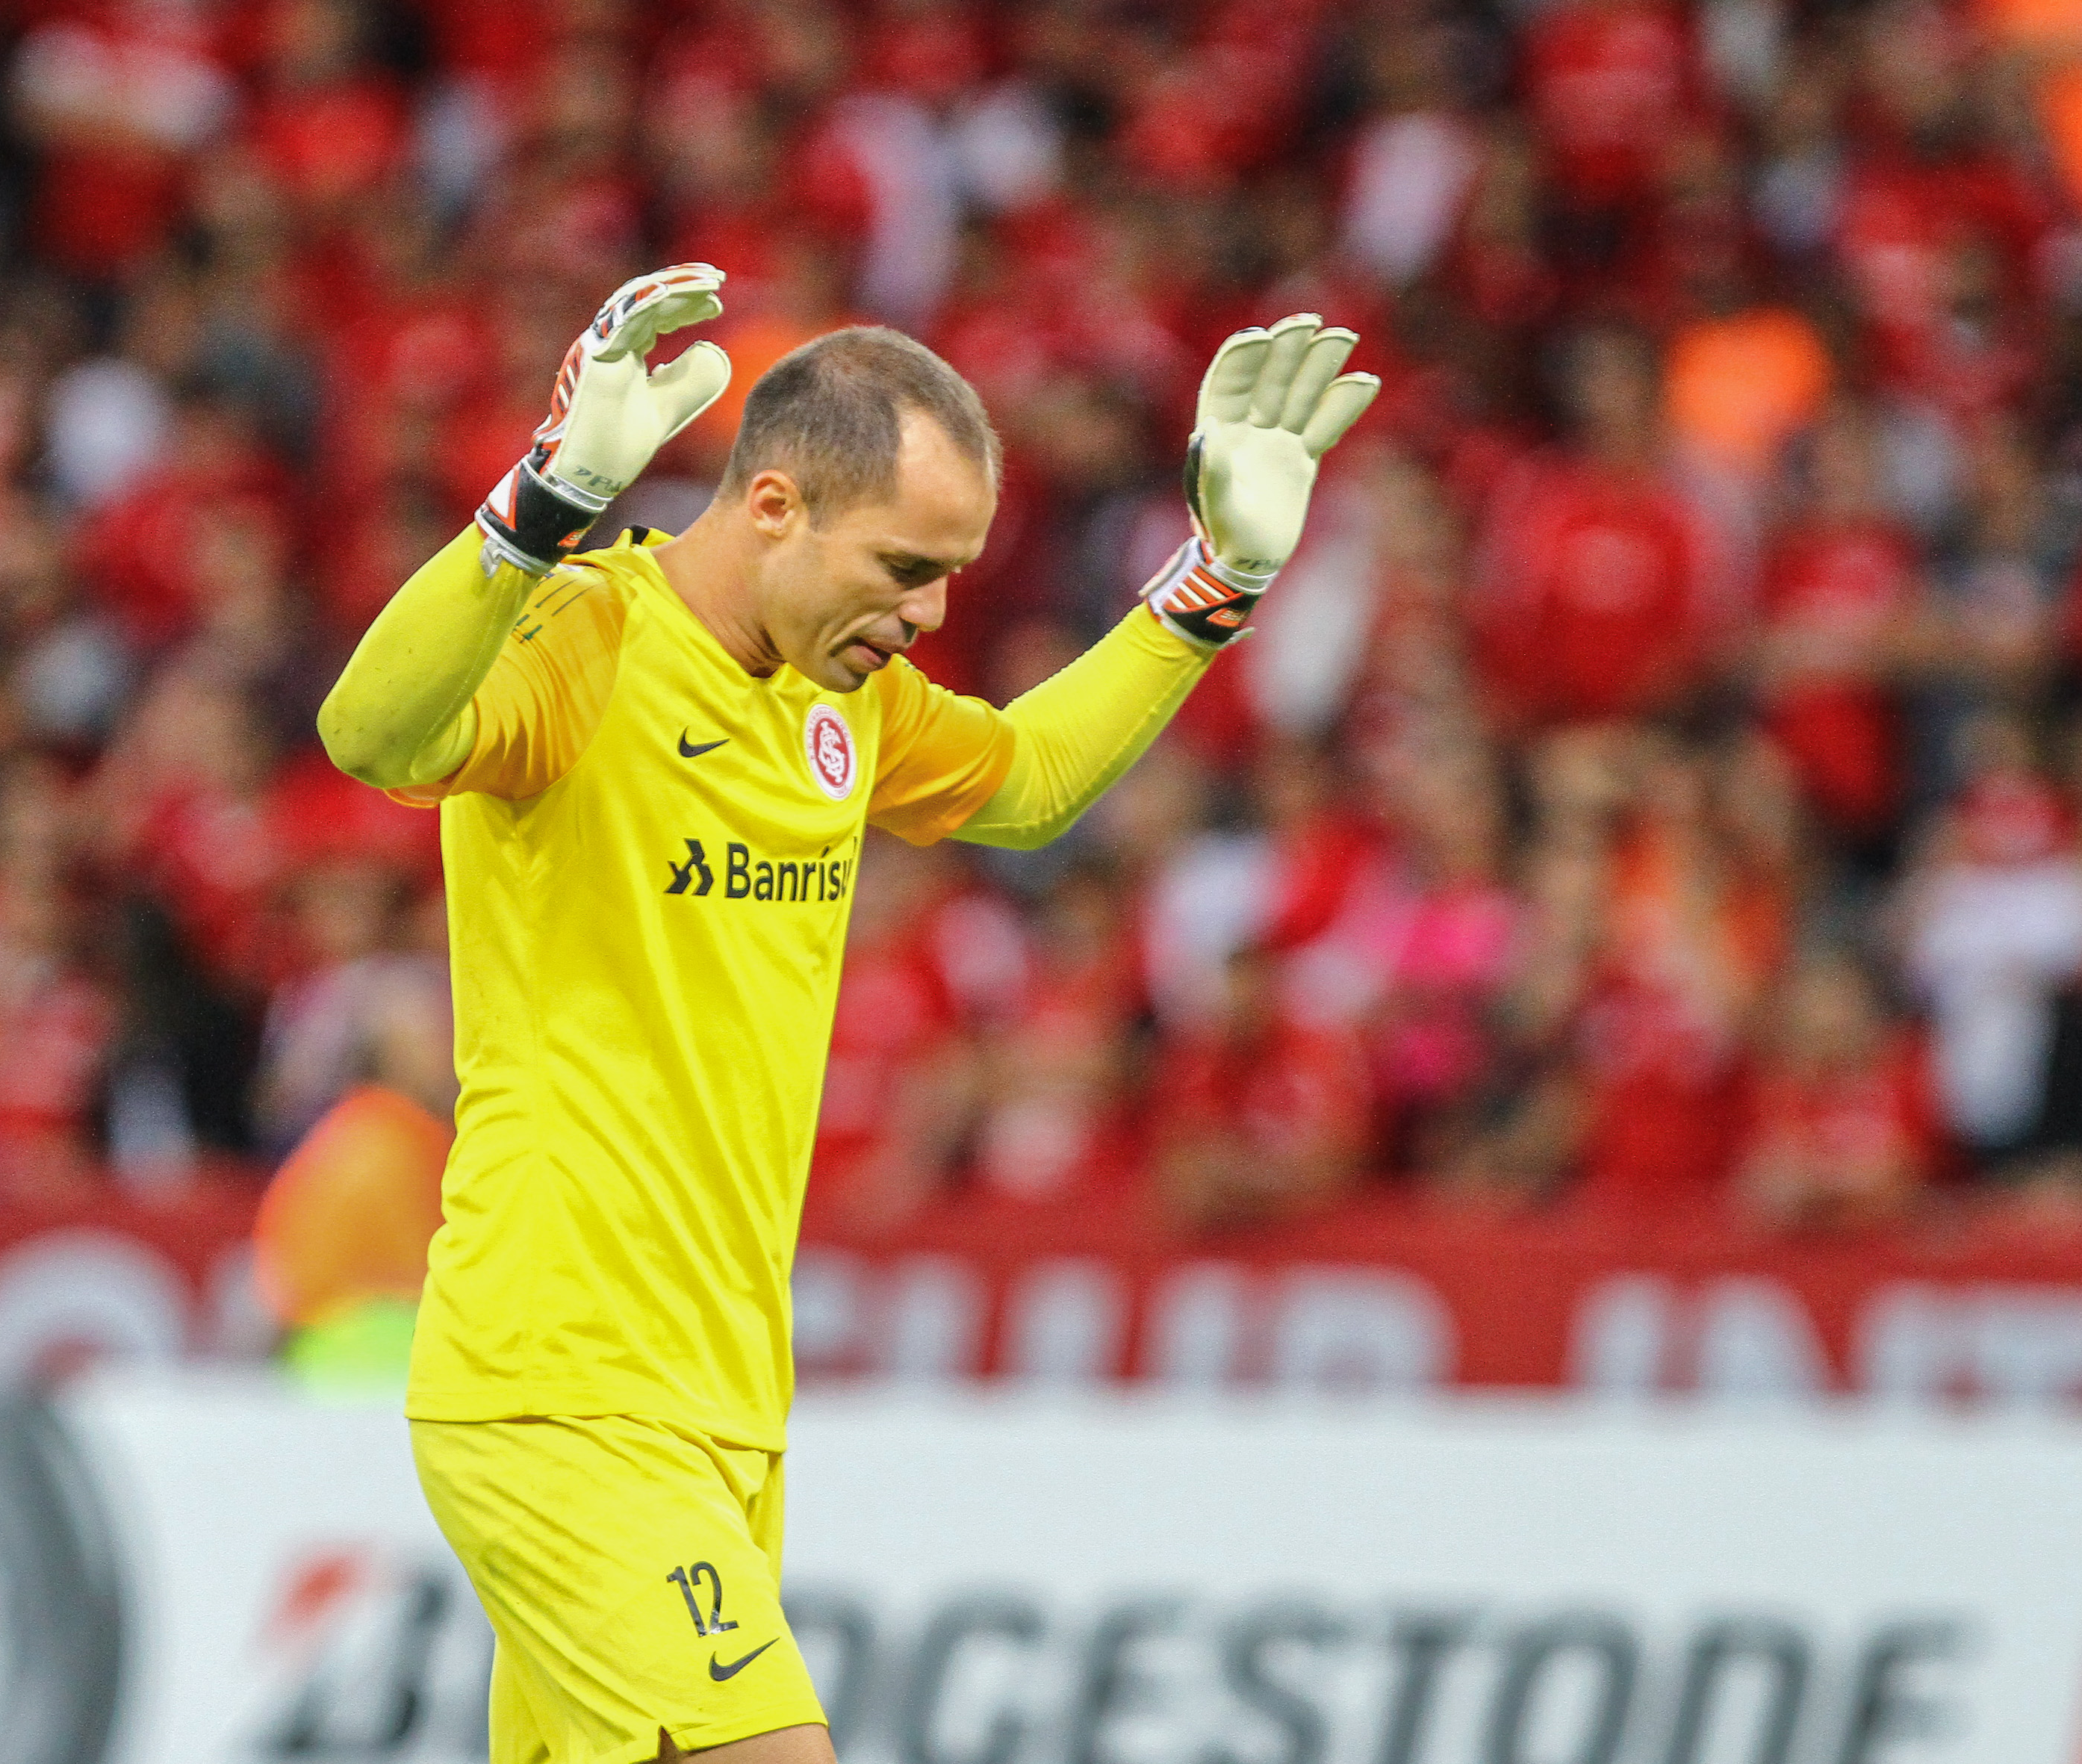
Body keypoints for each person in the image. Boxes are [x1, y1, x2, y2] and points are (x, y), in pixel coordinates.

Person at [316, 264, 1376, 1763]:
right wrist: (542, 503)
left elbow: (1023, 782)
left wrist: (1212, 587)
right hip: (560, 1386)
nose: (927, 612)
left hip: (724, 1401)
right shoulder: (585, 637)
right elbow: (369, 734)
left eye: (949, 574)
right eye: (901, 566)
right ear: (773, 507)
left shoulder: (843, 698)